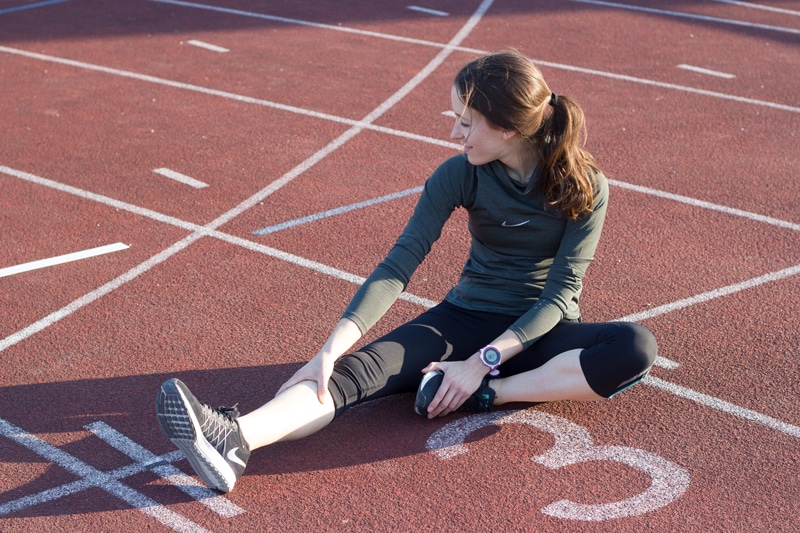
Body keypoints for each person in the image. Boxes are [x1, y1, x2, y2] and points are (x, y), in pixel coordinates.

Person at [156, 49, 658, 493]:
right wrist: (330, 349)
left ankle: (484, 394)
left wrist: (480, 366)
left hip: (537, 333)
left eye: (466, 121)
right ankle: (236, 439)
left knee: (635, 346)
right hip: (463, 317)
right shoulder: (458, 174)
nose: (453, 132)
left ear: (506, 128)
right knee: (349, 375)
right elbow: (400, 264)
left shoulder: (585, 184)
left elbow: (558, 295)